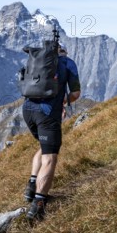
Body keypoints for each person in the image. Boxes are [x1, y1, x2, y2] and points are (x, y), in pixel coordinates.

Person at [23, 43, 81, 221]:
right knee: (50, 157)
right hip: (47, 115)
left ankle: (32, 184)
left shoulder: (36, 60)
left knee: (43, 145)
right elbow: (76, 93)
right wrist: (64, 101)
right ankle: (39, 204)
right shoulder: (67, 63)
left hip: (27, 110)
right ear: (62, 52)